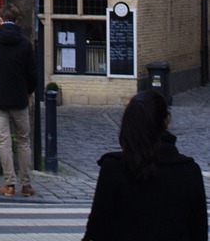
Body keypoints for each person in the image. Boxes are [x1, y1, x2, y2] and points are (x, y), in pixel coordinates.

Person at [82, 90, 207, 241]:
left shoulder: (114, 168)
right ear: (166, 121)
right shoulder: (189, 171)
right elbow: (198, 233)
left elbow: (98, 230)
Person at [0, 2, 36, 197]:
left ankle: (9, 184)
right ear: (17, 20)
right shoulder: (25, 43)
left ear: (0, 19)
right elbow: (32, 74)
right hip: (19, 97)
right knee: (24, 141)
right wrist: (28, 90)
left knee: (4, 141)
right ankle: (26, 184)